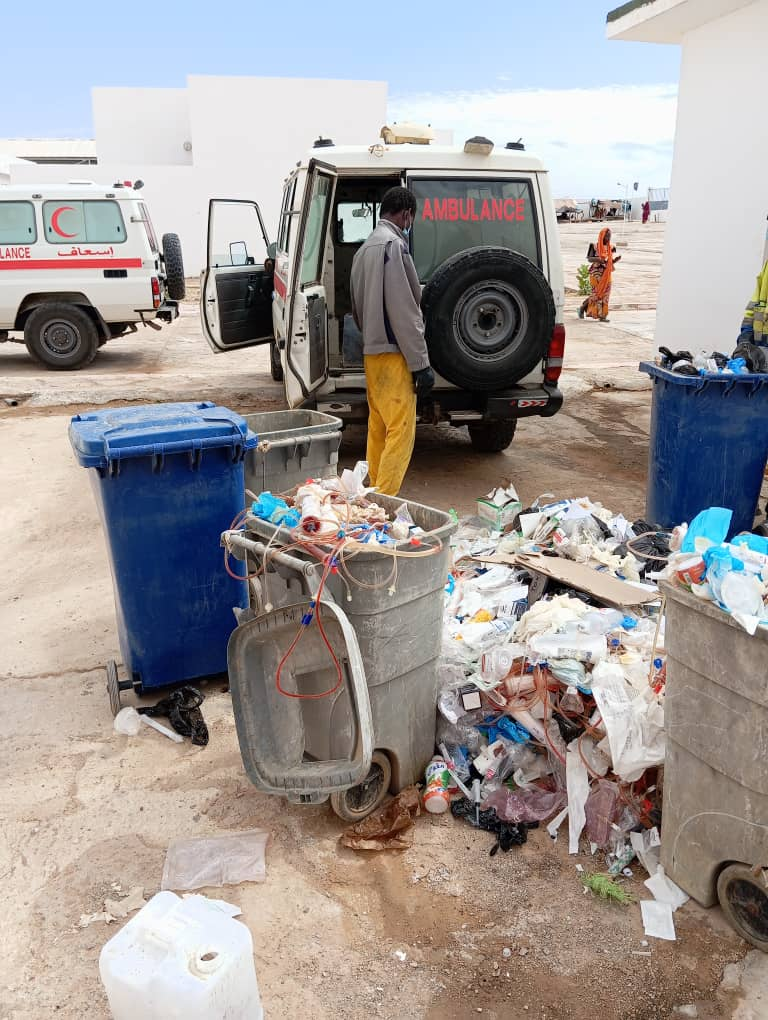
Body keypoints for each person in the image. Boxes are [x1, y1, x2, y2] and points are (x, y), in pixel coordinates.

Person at [350, 186, 434, 495]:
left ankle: (370, 490)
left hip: (372, 353)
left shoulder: (363, 250)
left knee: (378, 426)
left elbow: (357, 308)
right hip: (395, 353)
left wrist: (372, 335)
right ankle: (383, 498)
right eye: (412, 218)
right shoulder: (393, 247)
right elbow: (405, 310)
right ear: (407, 214)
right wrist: (420, 363)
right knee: (401, 429)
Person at [578, 227, 621, 323]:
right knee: (596, 294)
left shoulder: (612, 248)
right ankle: (582, 308)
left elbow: (608, 262)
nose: (608, 238)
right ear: (602, 236)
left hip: (606, 274)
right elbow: (589, 258)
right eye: (606, 236)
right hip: (595, 273)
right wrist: (598, 259)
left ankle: (603, 316)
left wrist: (615, 261)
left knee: (606, 294)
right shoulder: (594, 246)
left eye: (609, 236)